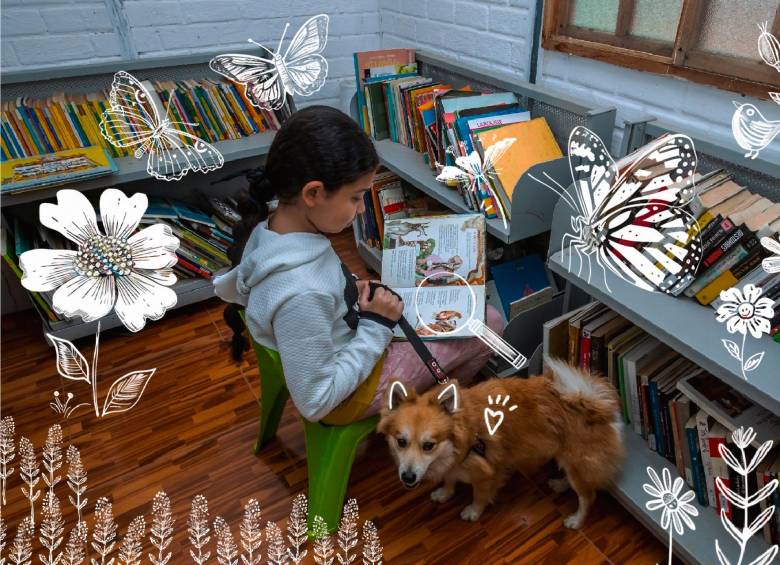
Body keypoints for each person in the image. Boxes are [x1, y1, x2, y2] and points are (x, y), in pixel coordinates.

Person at [215, 106, 504, 425]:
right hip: (348, 395)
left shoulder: (275, 229)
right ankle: (433, 419)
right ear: (313, 193)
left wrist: (350, 289)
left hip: (350, 338)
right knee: (489, 324)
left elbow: (320, 291)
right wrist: (375, 326)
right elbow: (316, 402)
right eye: (356, 197)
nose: (363, 209)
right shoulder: (301, 292)